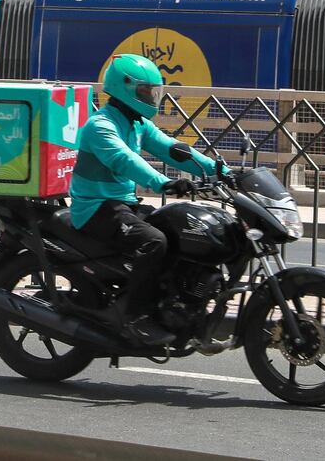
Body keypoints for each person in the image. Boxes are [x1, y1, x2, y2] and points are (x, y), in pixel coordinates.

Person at [69, 54, 226, 346]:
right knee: (154, 241)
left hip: (122, 203)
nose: (150, 97)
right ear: (124, 87)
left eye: (152, 91)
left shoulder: (137, 123)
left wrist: (222, 171)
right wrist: (163, 182)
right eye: (144, 91)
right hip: (94, 208)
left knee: (179, 233)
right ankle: (135, 318)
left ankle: (173, 307)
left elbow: (172, 149)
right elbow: (124, 159)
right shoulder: (100, 125)